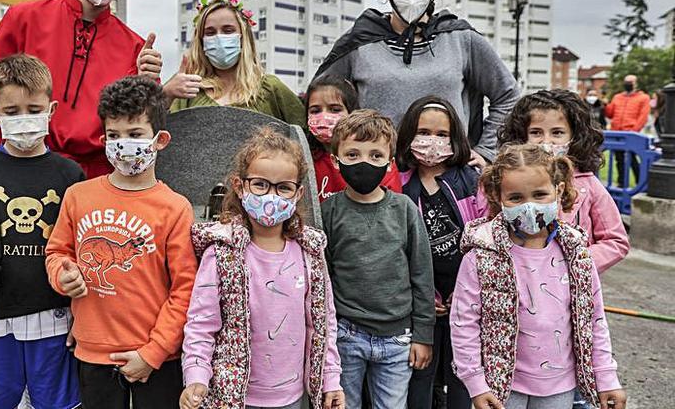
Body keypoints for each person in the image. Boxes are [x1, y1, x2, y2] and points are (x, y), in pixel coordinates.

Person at [315, 0, 518, 167]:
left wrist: (486, 150)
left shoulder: (461, 39)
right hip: (378, 179)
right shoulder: (358, 43)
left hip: (448, 178)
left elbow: (508, 94)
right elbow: (320, 98)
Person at [45, 76, 198, 409]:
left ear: (160, 140)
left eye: (135, 134)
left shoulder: (174, 208)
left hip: (156, 358)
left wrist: (153, 352)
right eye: (114, 135)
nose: (123, 143)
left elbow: (185, 289)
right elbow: (57, 252)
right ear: (103, 139)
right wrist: (62, 275)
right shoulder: (78, 195)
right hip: (93, 352)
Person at [0, 0, 175, 179]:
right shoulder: (24, 17)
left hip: (95, 175)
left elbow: (141, 121)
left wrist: (147, 82)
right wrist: (18, 127)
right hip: (22, 161)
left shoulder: (135, 45)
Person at [450, 144, 627, 409]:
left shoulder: (576, 253)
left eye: (540, 194)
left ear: (558, 191)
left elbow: (594, 319)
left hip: (559, 385)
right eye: (516, 198)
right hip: (500, 386)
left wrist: (606, 377)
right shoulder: (480, 256)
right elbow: (464, 323)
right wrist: (475, 382)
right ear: (498, 197)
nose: (529, 207)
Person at [180, 127, 344, 409]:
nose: (271, 195)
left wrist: (330, 378)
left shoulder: (309, 254)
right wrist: (196, 376)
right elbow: (201, 324)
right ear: (240, 186)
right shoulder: (222, 252)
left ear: (298, 193)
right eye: (260, 184)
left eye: (283, 187)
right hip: (230, 396)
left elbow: (323, 322)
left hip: (290, 398)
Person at [0, 55, 85, 409]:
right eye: (12, 111)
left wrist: (85, 318)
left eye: (33, 108)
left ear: (51, 108)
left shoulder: (71, 175)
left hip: (56, 321)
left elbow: (77, 251)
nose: (23, 118)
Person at [322, 109, 435, 409]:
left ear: (389, 162)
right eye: (353, 154)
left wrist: (423, 335)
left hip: (398, 339)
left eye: (375, 155)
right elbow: (324, 276)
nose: (364, 163)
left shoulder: (405, 209)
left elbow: (422, 275)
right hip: (346, 336)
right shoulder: (330, 211)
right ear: (336, 160)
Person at [396, 97, 485, 409]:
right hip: (423, 302)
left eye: (441, 134)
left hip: (465, 297)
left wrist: (466, 291)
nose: (432, 142)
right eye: (423, 132)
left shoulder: (471, 180)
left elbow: (485, 232)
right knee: (420, 371)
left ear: (455, 138)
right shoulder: (400, 184)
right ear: (408, 136)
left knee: (461, 371)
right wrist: (423, 295)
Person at [499, 89, 629, 273]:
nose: (547, 141)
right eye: (536, 132)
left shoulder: (588, 185)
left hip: (571, 289)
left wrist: (575, 263)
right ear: (522, 135)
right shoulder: (505, 180)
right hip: (518, 281)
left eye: (557, 133)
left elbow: (615, 240)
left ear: (574, 136)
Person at [168, 0, 306, 127]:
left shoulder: (270, 88)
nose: (219, 38)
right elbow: (157, 135)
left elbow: (307, 137)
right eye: (210, 33)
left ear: (243, 37)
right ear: (201, 41)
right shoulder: (188, 88)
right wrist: (166, 95)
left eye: (228, 30)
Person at [305, 74, 402, 201]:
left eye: (335, 109)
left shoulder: (378, 159)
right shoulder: (304, 159)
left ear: (351, 112)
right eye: (315, 111)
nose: (324, 117)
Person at [605, 74, 650, 187]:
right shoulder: (617, 97)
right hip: (617, 132)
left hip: (631, 133)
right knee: (619, 159)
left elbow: (643, 117)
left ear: (636, 83)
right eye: (626, 82)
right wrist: (605, 105)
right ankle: (621, 183)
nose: (628, 84)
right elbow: (610, 114)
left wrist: (634, 131)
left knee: (632, 159)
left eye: (630, 82)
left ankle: (639, 182)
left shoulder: (643, 98)